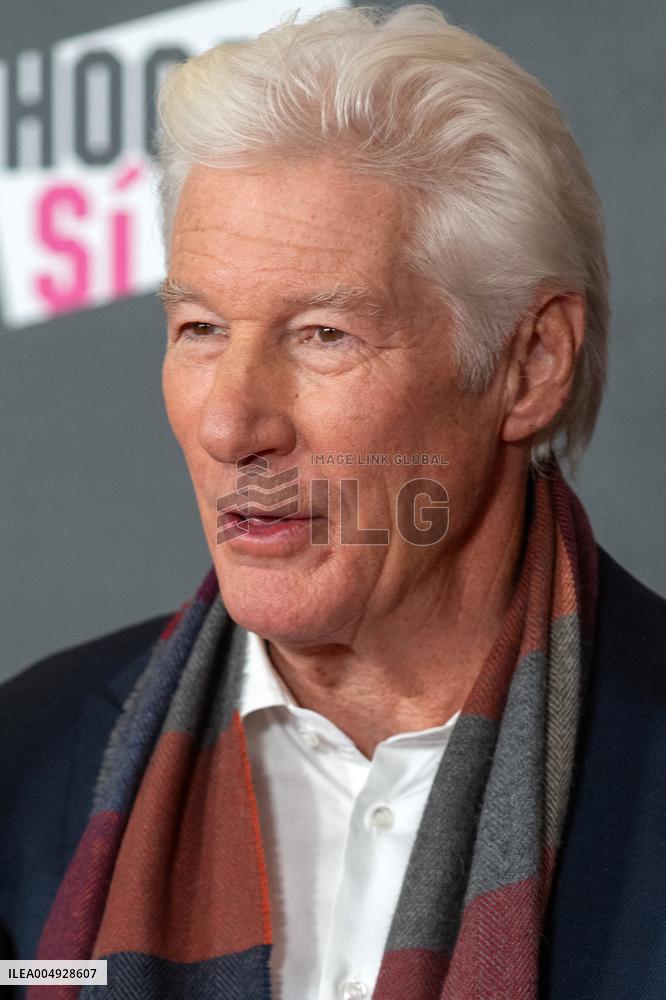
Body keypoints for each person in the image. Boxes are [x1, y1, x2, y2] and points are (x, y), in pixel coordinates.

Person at [1, 5, 664, 999]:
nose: (232, 426)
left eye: (323, 334)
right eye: (201, 328)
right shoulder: (27, 761)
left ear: (530, 365)